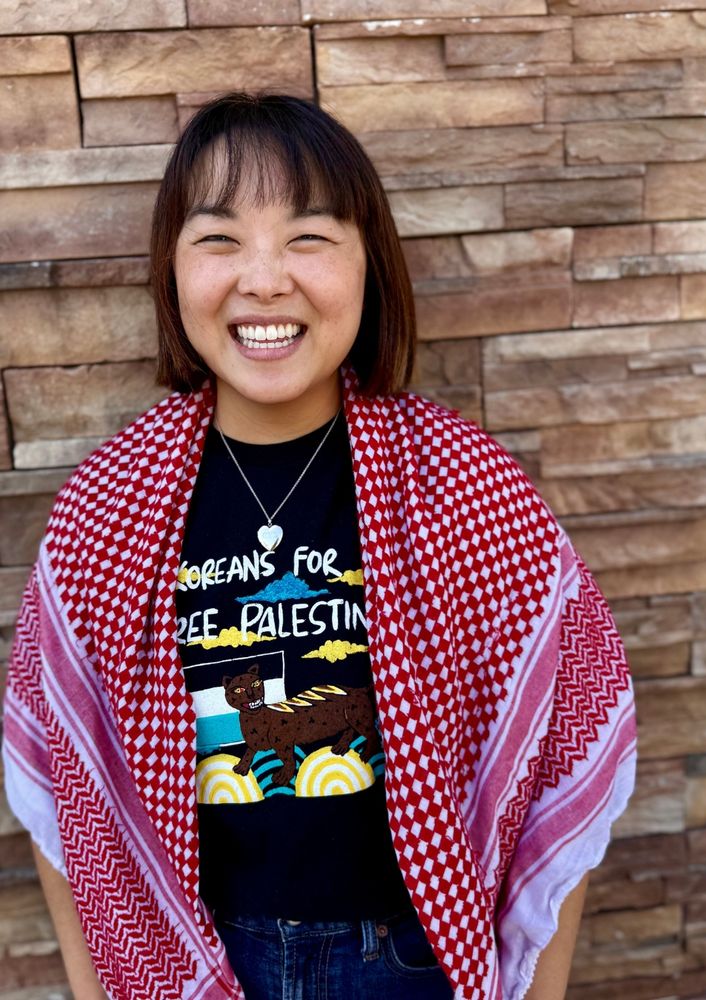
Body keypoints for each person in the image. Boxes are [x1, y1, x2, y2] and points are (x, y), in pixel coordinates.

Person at [2, 93, 636, 1000]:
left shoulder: (467, 487)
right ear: (171, 268)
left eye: (308, 237)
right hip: (194, 952)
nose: (264, 280)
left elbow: (561, 752)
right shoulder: (107, 506)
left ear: (370, 262)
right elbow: (58, 780)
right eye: (218, 239)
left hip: (410, 961)